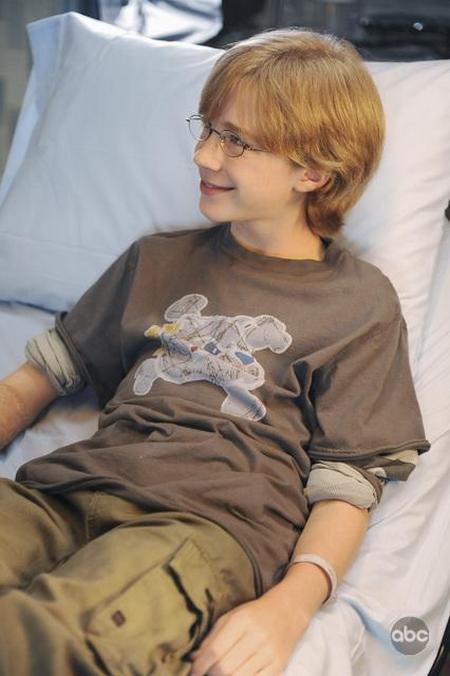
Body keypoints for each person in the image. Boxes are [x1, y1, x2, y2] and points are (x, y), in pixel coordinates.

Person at [0, 27, 430, 676]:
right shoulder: (156, 259)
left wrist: (289, 607)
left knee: (43, 640)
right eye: (207, 129)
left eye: (236, 141)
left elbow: (348, 486)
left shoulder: (359, 304)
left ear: (313, 171)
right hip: (61, 493)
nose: (203, 155)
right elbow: (38, 378)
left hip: (203, 525)